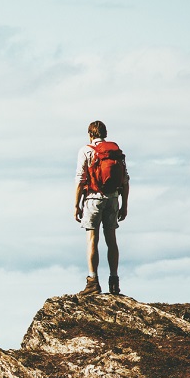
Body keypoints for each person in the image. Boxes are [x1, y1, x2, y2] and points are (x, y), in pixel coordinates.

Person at [75, 120, 129, 295]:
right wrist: (124, 205)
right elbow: (125, 181)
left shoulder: (86, 151)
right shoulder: (116, 153)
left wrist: (76, 205)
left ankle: (93, 282)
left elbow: (80, 180)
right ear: (105, 134)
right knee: (111, 240)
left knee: (93, 239)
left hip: (93, 199)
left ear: (90, 134)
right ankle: (114, 282)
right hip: (113, 199)